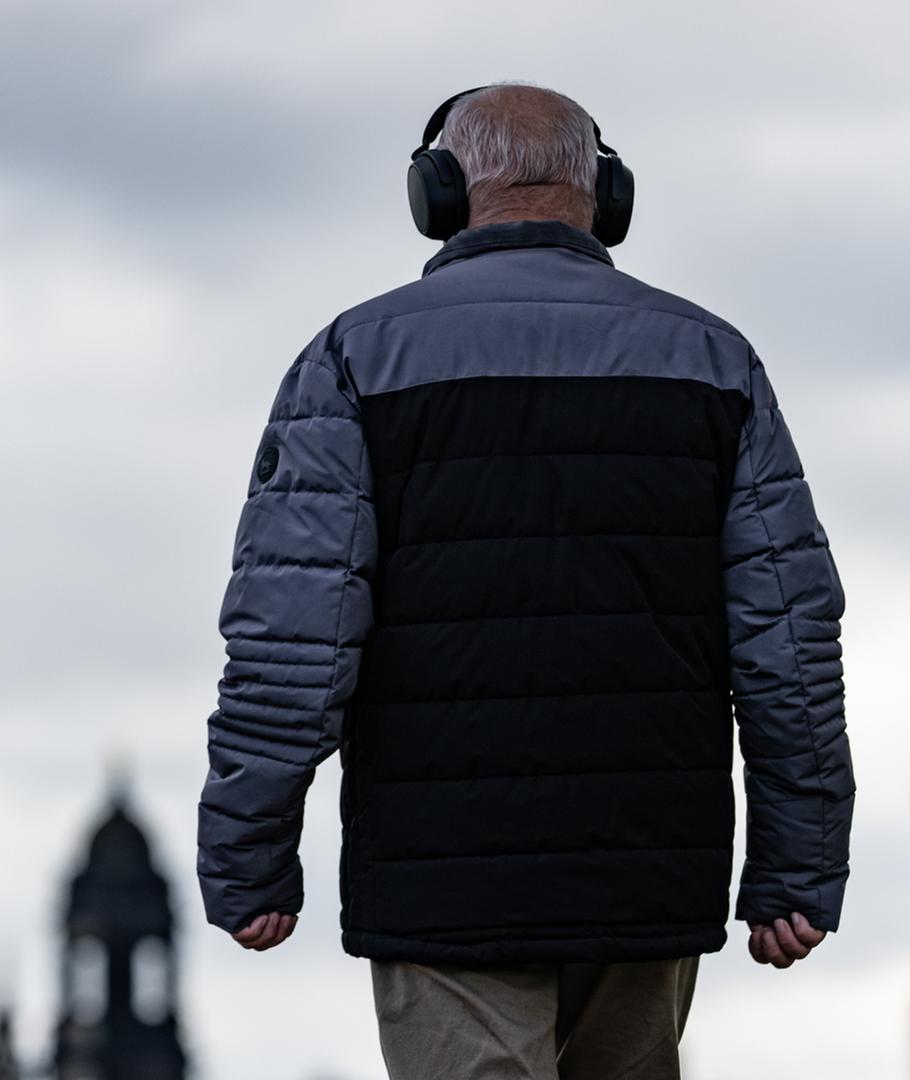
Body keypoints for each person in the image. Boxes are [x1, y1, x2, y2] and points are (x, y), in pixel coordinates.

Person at [196, 83, 854, 1079]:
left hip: (443, 883)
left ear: (441, 193)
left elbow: (292, 645)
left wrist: (248, 854)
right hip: (645, 875)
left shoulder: (352, 363)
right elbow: (789, 648)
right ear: (608, 196)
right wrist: (797, 866)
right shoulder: (715, 364)